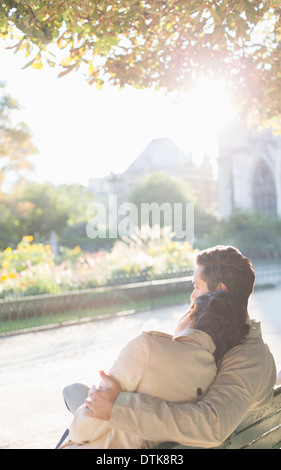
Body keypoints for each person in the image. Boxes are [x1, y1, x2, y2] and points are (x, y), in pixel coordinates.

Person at [81, 245, 277, 449]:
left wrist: (117, 408)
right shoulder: (241, 346)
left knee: (82, 404)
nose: (192, 297)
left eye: (197, 286)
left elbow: (212, 425)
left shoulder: (248, 357)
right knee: (85, 398)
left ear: (219, 291)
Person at [60, 290, 249, 449]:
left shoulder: (148, 345)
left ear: (193, 310)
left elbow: (86, 427)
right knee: (74, 391)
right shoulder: (213, 375)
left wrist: (76, 431)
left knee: (71, 393)